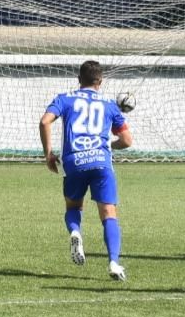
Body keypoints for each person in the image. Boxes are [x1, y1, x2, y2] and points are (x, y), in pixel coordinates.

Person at [39, 60, 134, 281]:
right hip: (101, 162)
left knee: (73, 206)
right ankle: (113, 263)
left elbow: (45, 122)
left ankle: (75, 232)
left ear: (78, 79)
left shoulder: (65, 98)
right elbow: (127, 140)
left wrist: (48, 155)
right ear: (100, 81)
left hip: (73, 162)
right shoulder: (110, 104)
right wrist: (108, 145)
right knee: (108, 213)